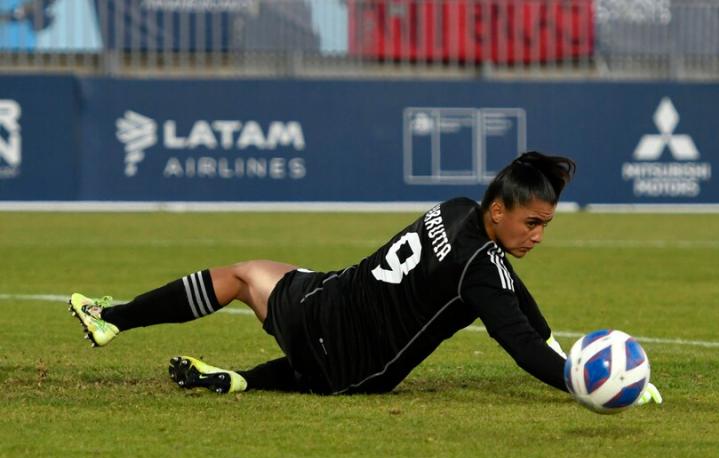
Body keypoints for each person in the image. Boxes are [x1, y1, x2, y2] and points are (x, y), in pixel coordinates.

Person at [69, 151, 661, 404]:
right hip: (350, 367)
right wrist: (581, 380)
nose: (537, 235)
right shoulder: (479, 271)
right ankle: (245, 379)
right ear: (500, 212)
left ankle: (116, 321)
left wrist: (558, 348)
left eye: (546, 226)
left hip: (326, 306)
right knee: (320, 360)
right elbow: (523, 345)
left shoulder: (456, 210)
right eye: (532, 222)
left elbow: (516, 298)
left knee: (242, 275)